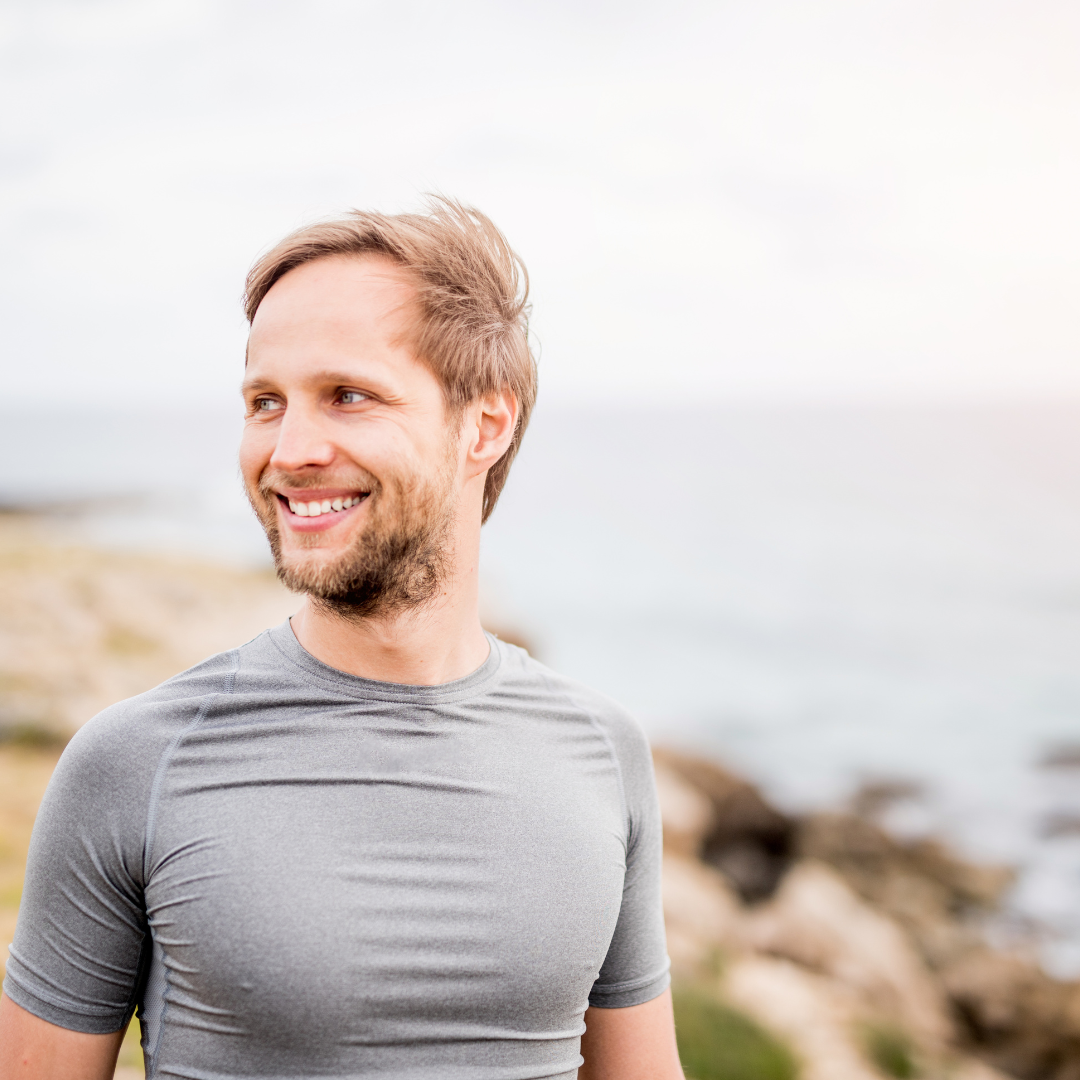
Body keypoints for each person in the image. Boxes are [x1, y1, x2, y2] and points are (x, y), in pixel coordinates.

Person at [0, 200, 683, 1080]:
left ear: (485, 425)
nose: (289, 451)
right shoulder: (134, 762)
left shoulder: (603, 752)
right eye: (265, 402)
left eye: (348, 396)